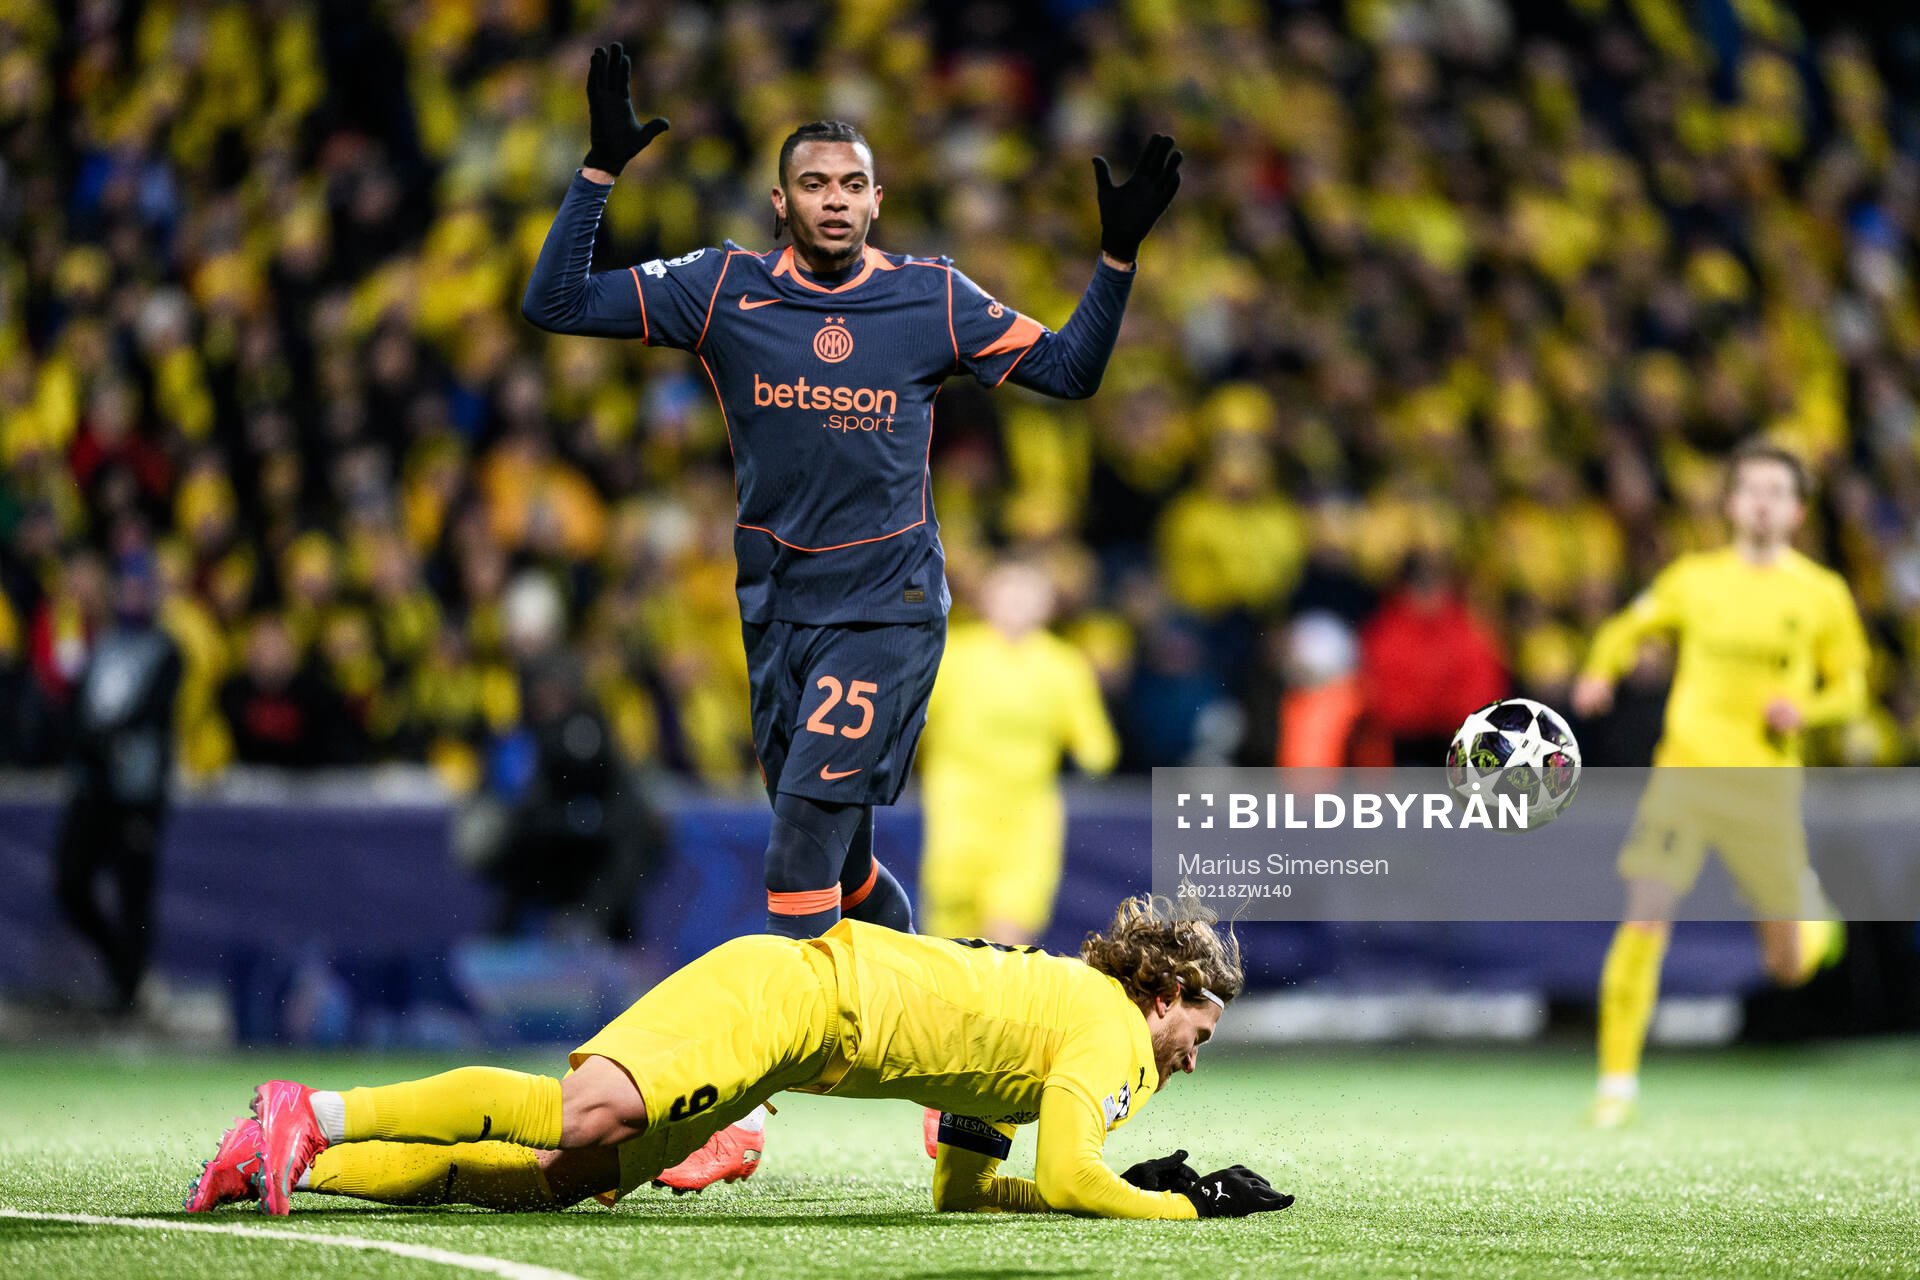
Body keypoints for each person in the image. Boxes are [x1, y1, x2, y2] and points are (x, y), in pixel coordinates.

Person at [516, 43, 1181, 1188]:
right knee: (857, 876)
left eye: (853, 184)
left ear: (878, 197)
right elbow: (555, 299)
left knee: (797, 851)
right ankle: (959, 1085)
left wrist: (1116, 254)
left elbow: (1070, 371)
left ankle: (738, 1110)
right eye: (815, 185)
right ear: (784, 201)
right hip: (779, 614)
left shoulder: (928, 297)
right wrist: (595, 175)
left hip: (888, 609)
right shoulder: (725, 288)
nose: (836, 201)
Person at [184, 896, 1291, 1222]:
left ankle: (289, 1163)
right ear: (1167, 993)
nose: (1192, 1060)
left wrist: (1099, 1185)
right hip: (794, 997)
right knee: (578, 1113)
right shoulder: (1108, 1029)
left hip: (797, 1026)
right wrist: (1188, 1209)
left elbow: (969, 1186)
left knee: (560, 1175)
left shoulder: (1056, 1018)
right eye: (1200, 1031)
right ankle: (311, 1109)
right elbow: (1068, 1176)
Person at [1570, 442, 1869, 1128]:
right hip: (1685, 775)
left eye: (1777, 492)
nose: (1762, 502)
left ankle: (1817, 920)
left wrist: (1809, 710)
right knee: (1646, 912)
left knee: (1789, 963)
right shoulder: (1694, 579)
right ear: (1730, 503)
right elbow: (1626, 626)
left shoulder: (1821, 594)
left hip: (1764, 786)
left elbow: (1852, 687)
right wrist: (1599, 670)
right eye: (1751, 490)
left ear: (1796, 510)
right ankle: (1616, 1086)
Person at [918, 558, 1118, 946]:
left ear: (1048, 606)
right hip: (959, 811)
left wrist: (1090, 754)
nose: (1018, 606)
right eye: (1009, 594)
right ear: (986, 599)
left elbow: (1097, 747)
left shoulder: (1064, 665)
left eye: (1029, 596)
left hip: (1027, 816)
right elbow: (912, 724)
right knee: (947, 937)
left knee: (1009, 933)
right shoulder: (953, 654)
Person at [52, 549, 181, 1013]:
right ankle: (120, 968)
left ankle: (130, 990)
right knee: (71, 881)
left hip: (137, 793)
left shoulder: (165, 649)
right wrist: (89, 744)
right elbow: (77, 704)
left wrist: (101, 739)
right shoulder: (102, 644)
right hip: (94, 787)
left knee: (134, 895)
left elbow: (151, 713)